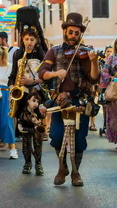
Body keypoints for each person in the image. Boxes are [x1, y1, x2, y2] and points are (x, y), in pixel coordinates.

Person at [39, 12, 100, 187]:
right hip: (59, 101)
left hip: (80, 101)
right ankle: (62, 167)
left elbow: (94, 78)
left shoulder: (86, 52)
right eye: (70, 32)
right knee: (57, 136)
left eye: (76, 33)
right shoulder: (54, 50)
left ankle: (75, 172)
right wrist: (55, 73)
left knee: (79, 139)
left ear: (80, 34)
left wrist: (94, 62)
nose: (73, 36)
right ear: (65, 31)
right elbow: (42, 73)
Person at [8, 6, 49, 146]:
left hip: (36, 91)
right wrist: (12, 86)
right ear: (22, 39)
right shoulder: (17, 54)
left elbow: (46, 76)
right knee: (25, 127)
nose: (29, 42)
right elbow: (13, 74)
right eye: (26, 39)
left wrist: (32, 80)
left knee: (36, 124)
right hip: (22, 92)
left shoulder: (41, 54)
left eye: (32, 39)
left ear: (36, 40)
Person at [18, 91, 45, 175]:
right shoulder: (24, 111)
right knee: (26, 147)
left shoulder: (37, 111)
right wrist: (20, 126)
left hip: (36, 131)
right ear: (28, 101)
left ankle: (38, 163)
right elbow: (21, 120)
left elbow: (42, 119)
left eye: (37, 101)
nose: (36, 103)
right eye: (34, 100)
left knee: (37, 146)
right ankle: (27, 163)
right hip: (26, 130)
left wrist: (39, 120)